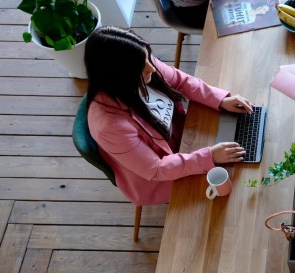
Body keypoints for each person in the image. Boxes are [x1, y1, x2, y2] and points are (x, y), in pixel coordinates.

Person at [84, 26, 253, 206]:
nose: (153, 68)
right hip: (159, 177)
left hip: (183, 138)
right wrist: (209, 156)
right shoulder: (110, 126)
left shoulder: (138, 62)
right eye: (143, 67)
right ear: (120, 76)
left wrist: (220, 100)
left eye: (148, 58)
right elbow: (156, 169)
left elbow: (181, 81)